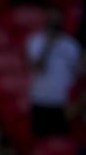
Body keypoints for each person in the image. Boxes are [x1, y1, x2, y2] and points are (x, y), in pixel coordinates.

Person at [26, 9, 82, 138]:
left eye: (56, 22)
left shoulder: (71, 45)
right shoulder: (36, 41)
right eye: (51, 21)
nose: (54, 24)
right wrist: (48, 46)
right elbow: (37, 67)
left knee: (61, 142)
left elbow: (77, 73)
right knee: (40, 142)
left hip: (62, 102)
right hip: (40, 100)